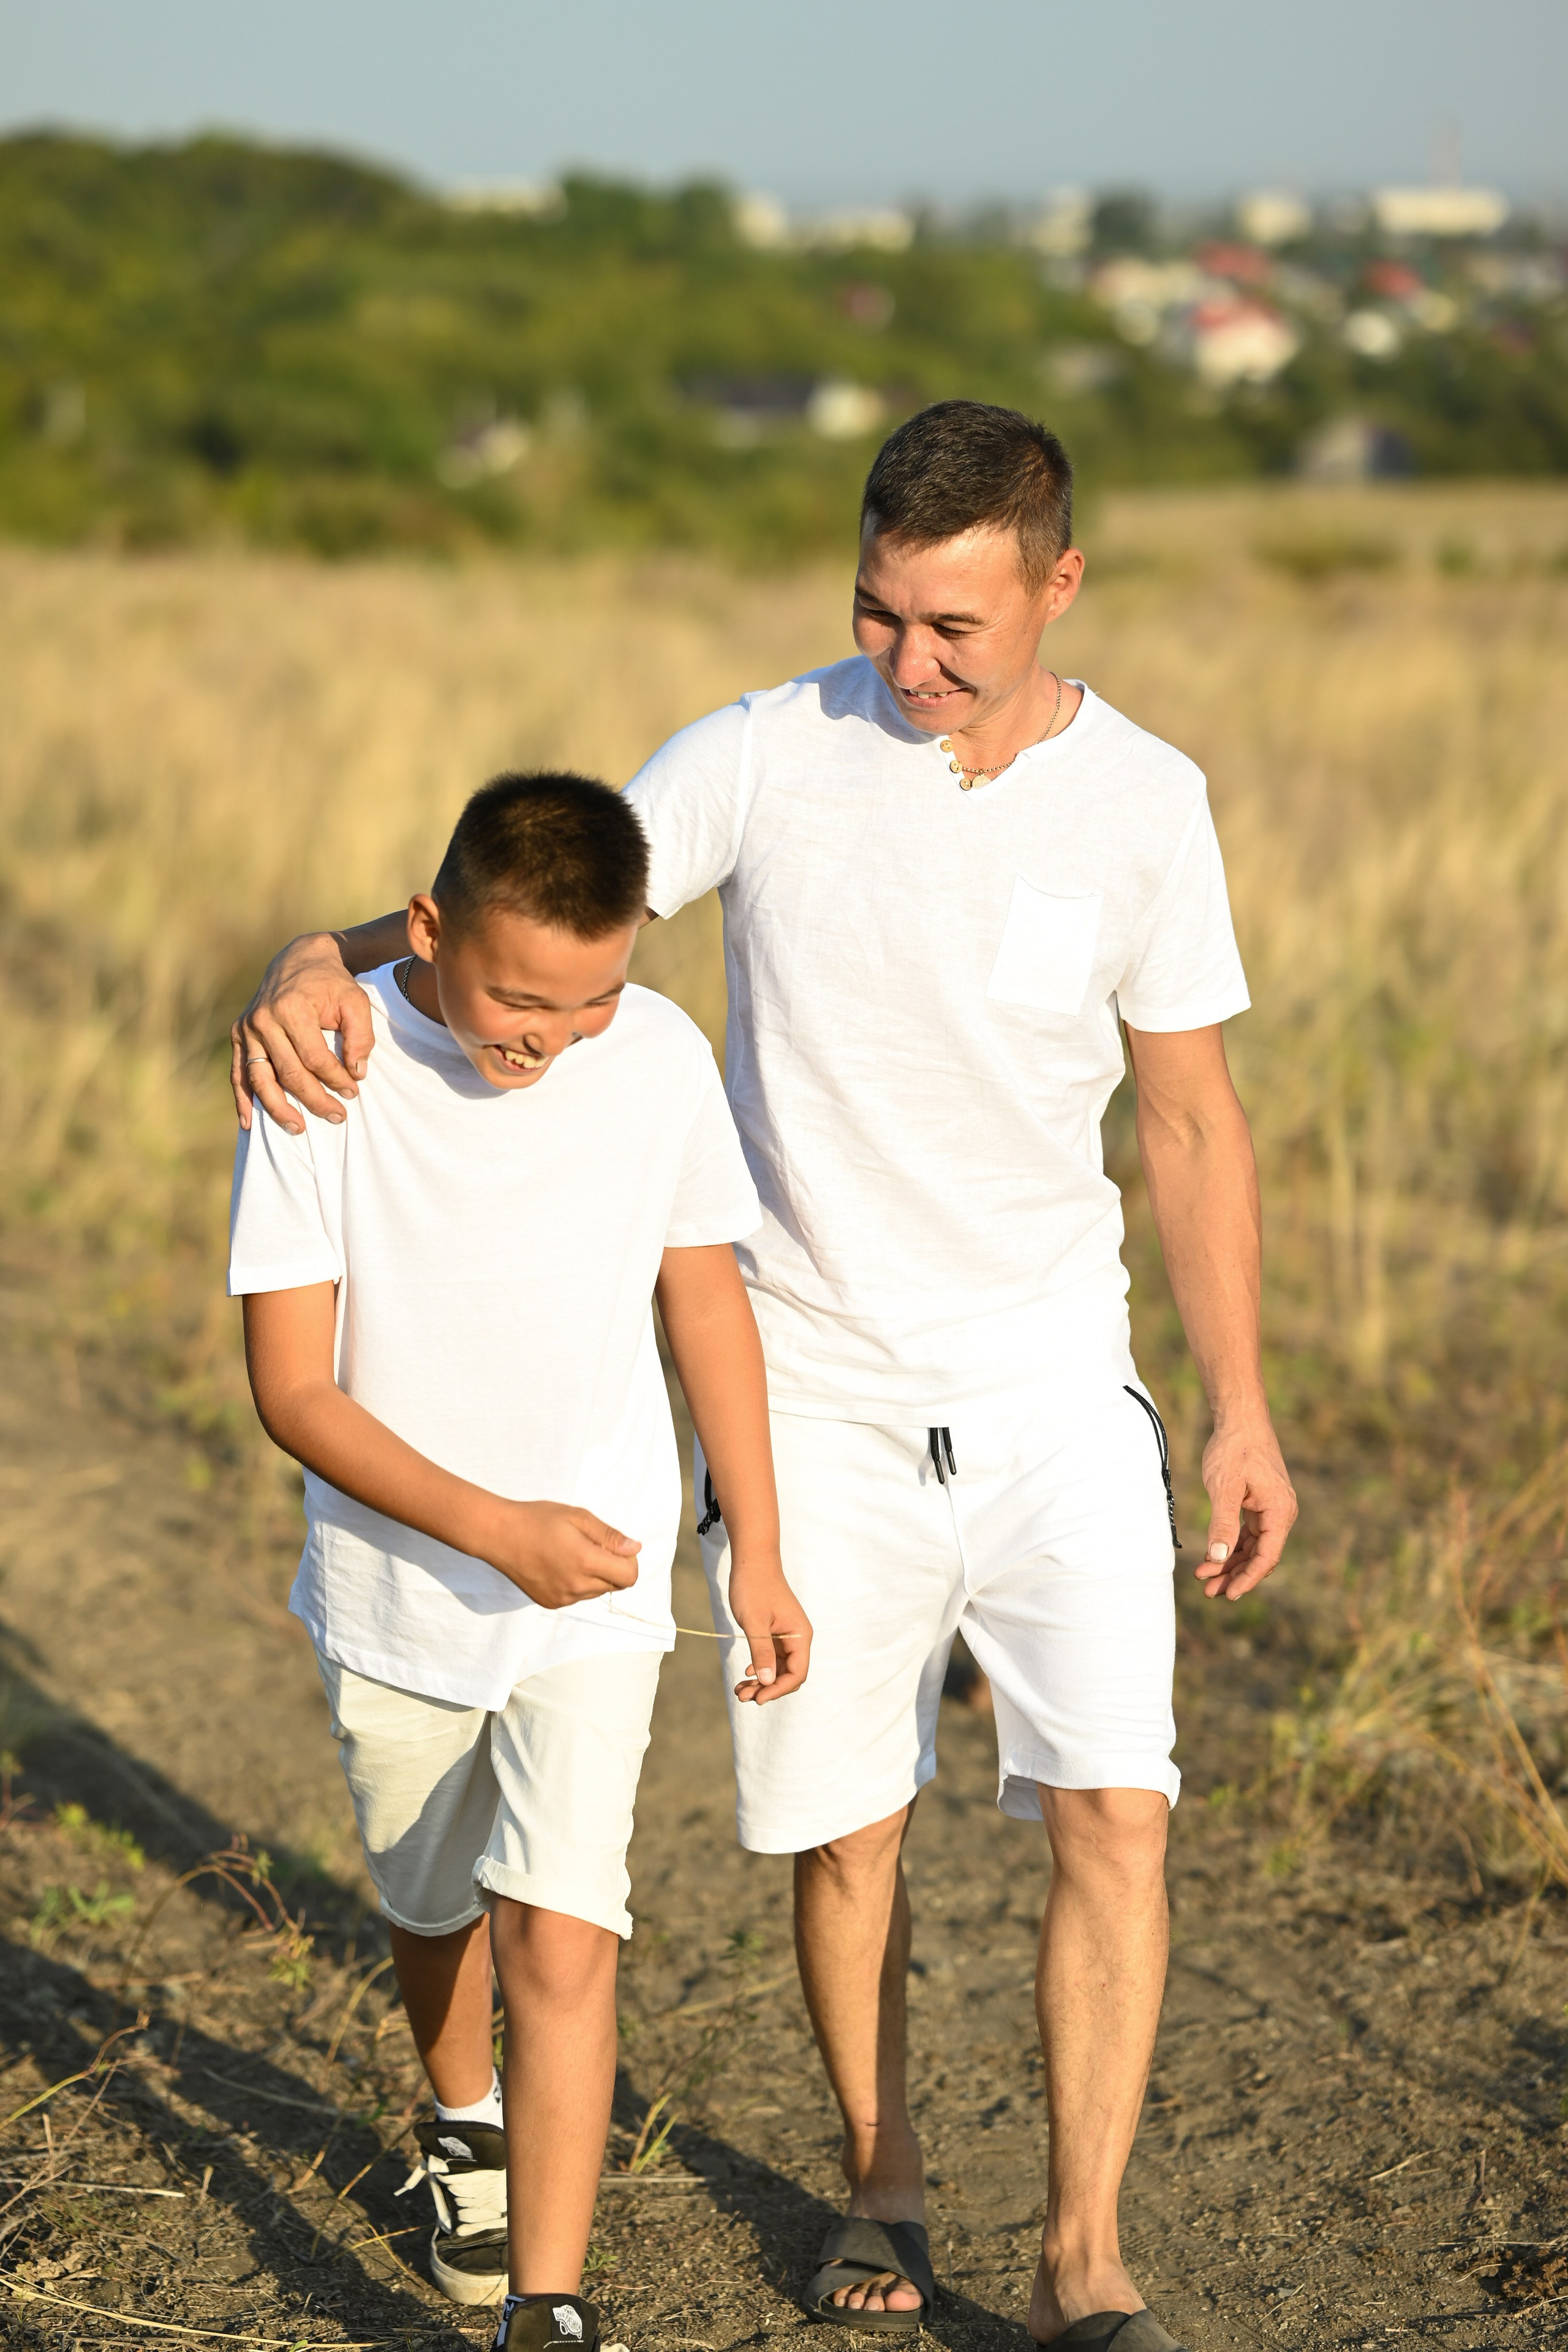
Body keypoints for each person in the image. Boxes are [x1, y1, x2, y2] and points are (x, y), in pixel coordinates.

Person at [232, 404, 1297, 2352]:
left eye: (956, 627)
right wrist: (317, 950)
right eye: (879, 615)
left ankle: (1084, 2261)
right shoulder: (763, 753)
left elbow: (1196, 1120)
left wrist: (1237, 1401)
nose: (909, 666)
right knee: (851, 1829)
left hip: (1061, 1371)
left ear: (1059, 585)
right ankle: (878, 2184)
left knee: (1115, 1807)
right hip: (812, 1379)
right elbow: (524, 909)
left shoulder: (1153, 801)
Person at [229, 771, 809, 2352]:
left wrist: (753, 1540)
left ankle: (544, 2310)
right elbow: (292, 1390)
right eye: (515, 995)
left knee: (562, 1927)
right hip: (395, 1592)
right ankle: (459, 2116)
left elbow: (704, 1302)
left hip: (601, 1578)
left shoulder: (661, 1061)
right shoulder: (326, 1065)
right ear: (428, 927)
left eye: (592, 998)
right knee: (434, 1905)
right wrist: (495, 1533)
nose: (549, 1034)